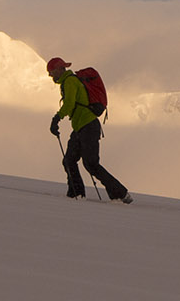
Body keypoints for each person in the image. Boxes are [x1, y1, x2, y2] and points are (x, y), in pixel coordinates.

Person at [46, 57, 131, 202]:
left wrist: (57, 118)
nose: (51, 75)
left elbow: (69, 104)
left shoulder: (70, 82)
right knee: (70, 160)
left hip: (87, 126)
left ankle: (120, 194)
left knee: (90, 163)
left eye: (52, 72)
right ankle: (76, 194)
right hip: (83, 127)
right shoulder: (69, 81)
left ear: (60, 69)